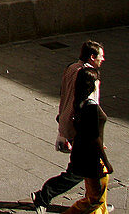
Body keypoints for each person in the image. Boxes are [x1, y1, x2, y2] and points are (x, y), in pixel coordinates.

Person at [32, 42, 108, 213]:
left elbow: (63, 94)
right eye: (100, 56)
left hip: (70, 122)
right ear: (91, 57)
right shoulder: (87, 77)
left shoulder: (72, 67)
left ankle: (96, 203)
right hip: (79, 127)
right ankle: (44, 195)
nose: (103, 59)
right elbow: (79, 101)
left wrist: (62, 127)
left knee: (91, 170)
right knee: (79, 171)